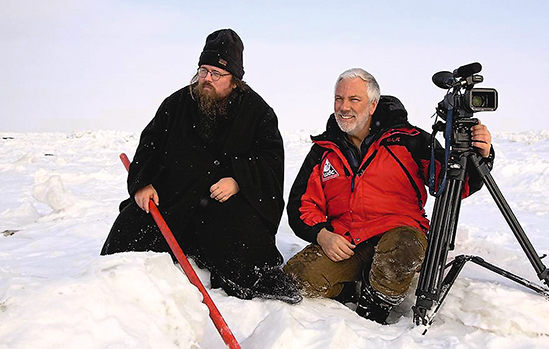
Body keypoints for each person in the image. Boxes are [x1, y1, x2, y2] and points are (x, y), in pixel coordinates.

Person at [101, 28, 301, 304]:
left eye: (216, 74)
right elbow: (150, 143)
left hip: (222, 204)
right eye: (203, 70)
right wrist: (142, 184)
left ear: (235, 80)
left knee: (246, 251)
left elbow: (270, 160)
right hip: (174, 196)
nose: (207, 79)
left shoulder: (258, 112)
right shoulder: (177, 103)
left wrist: (239, 180)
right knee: (129, 232)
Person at [283, 68, 493, 323]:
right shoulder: (325, 150)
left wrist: (480, 157)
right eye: (339, 99)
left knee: (403, 248)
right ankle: (351, 284)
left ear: (373, 105)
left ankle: (376, 304)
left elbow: (452, 183)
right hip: (348, 240)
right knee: (297, 277)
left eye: (353, 99)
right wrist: (322, 234)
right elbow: (301, 204)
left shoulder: (408, 140)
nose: (343, 107)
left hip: (398, 233)